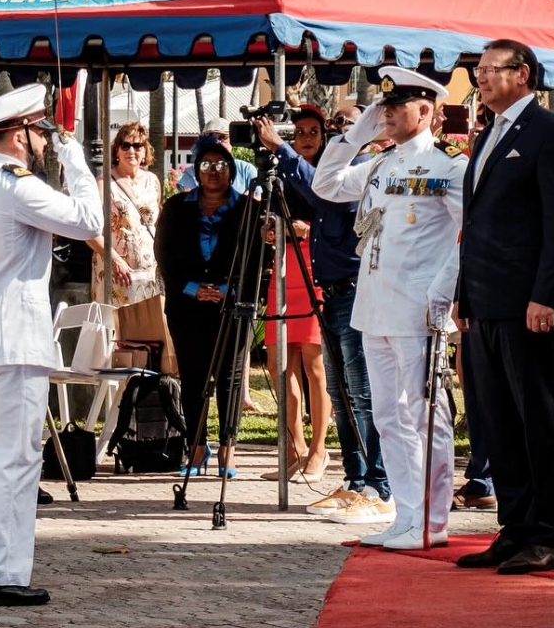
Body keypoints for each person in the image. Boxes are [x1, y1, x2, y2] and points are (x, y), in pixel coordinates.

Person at [0, 83, 102, 608]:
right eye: (40, 133)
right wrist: (75, 158)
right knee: (13, 461)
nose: (44, 143)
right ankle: (1, 574)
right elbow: (88, 222)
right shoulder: (14, 184)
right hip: (12, 344)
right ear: (25, 133)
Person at [314, 67, 466, 550]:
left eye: (396, 107)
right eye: (384, 108)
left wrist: (442, 293)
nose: (387, 115)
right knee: (387, 416)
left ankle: (432, 520)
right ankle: (406, 513)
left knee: (425, 413)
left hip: (418, 308)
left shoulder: (449, 167)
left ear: (426, 110)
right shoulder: (382, 165)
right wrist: (357, 134)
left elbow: (470, 238)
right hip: (374, 305)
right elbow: (327, 184)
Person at [453, 39, 554, 575]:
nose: (480, 78)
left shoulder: (550, 133)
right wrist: (465, 291)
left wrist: (544, 295)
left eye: (489, 70)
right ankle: (515, 527)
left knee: (536, 418)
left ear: (523, 74)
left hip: (528, 302)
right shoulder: (488, 134)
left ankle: (549, 534)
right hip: (485, 300)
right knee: (497, 419)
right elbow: (478, 225)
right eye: (478, 70)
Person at [254, 104, 393, 522]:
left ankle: (378, 484)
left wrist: (281, 149)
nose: (335, 136)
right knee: (341, 391)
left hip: (355, 292)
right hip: (330, 292)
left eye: (343, 127)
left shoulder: (367, 167)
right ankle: (355, 479)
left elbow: (320, 192)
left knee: (362, 393)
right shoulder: (338, 169)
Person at [156, 135, 254, 478]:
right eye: (207, 165)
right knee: (194, 376)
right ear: (196, 170)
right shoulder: (175, 207)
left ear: (232, 170)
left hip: (232, 306)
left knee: (230, 377)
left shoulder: (248, 209)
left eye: (222, 165)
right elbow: (164, 257)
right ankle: (196, 448)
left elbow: (257, 260)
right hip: (187, 305)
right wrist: (194, 289)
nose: (214, 172)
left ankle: (229, 450)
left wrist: (229, 290)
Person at [257, 105, 332, 485]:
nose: (305, 137)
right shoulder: (276, 169)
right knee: (279, 361)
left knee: (314, 362)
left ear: (323, 135)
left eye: (312, 131)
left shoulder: (329, 167)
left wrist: (304, 228)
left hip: (314, 263)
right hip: (283, 264)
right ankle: (295, 445)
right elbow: (267, 215)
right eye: (299, 131)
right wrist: (272, 228)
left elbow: (324, 199)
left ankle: (320, 447)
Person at [87, 120, 163, 307]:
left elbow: (157, 224)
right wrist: (114, 260)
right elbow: (89, 230)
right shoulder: (104, 183)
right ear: (117, 150)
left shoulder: (153, 181)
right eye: (125, 145)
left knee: (148, 329)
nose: (131, 151)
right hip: (116, 274)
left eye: (138, 146)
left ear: (145, 151)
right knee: (114, 329)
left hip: (149, 276)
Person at [176, 117, 257, 194]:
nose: (217, 143)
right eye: (211, 138)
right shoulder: (192, 172)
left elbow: (256, 199)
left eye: (223, 138)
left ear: (232, 141)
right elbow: (188, 204)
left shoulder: (246, 170)